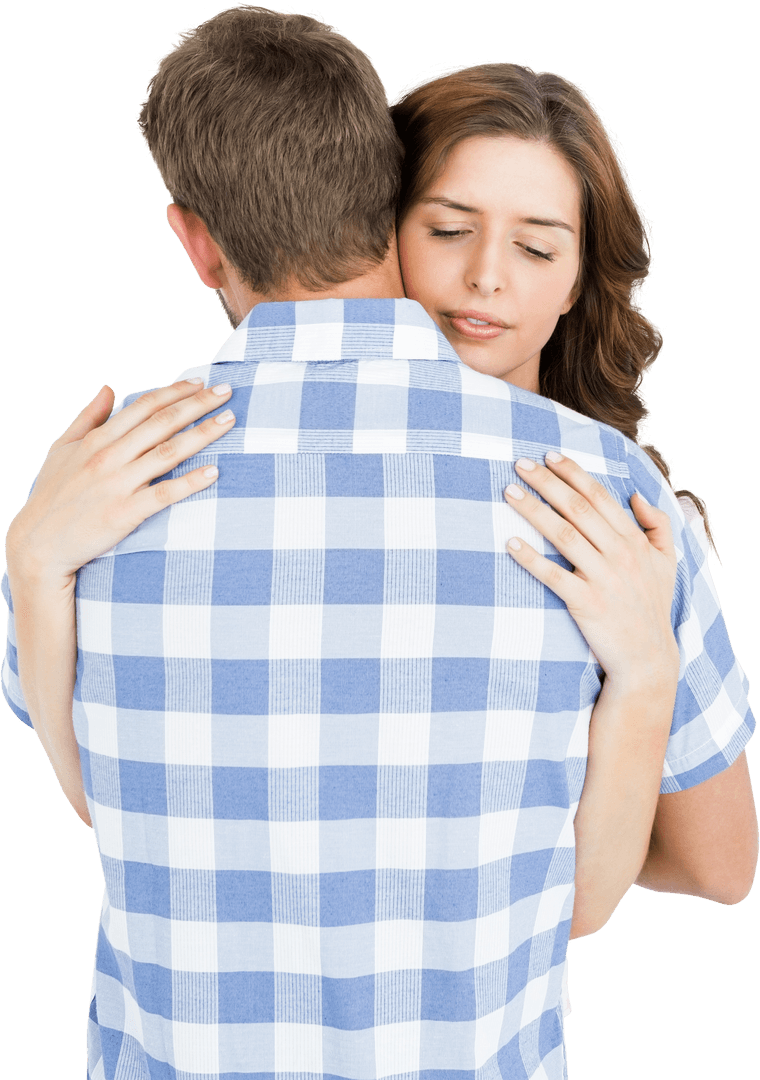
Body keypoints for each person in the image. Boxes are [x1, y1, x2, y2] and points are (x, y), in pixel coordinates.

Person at [1, 6, 755, 1079]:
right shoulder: (608, 485)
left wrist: (38, 566)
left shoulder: (111, 477)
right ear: (380, 213)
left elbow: (115, 814)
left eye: (537, 245)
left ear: (196, 239)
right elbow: (577, 907)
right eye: (448, 229)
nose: (486, 279)